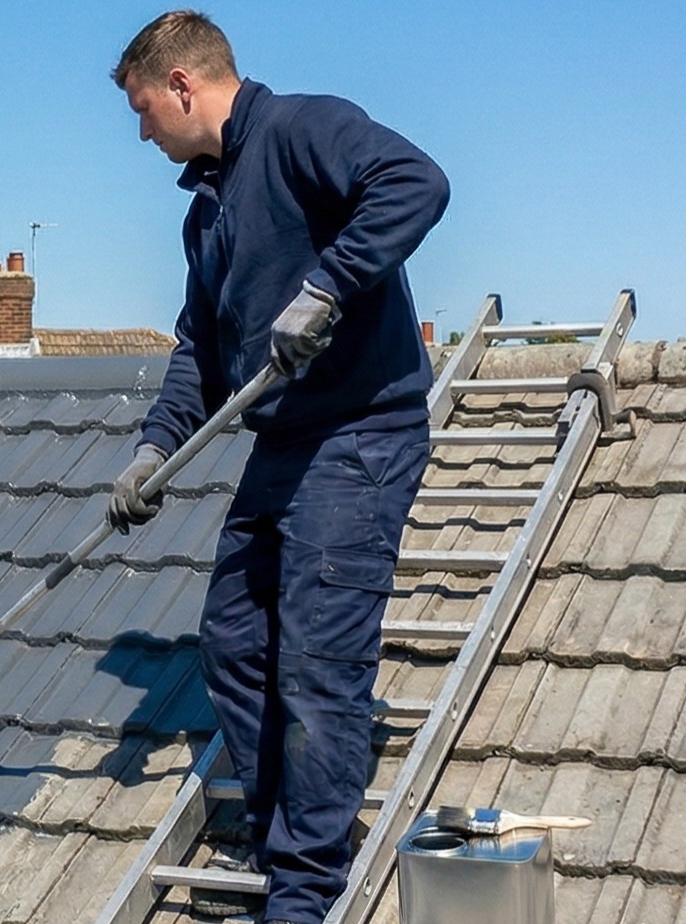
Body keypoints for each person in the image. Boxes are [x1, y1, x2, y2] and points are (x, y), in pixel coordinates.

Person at [104, 10, 448, 924]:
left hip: (361, 434)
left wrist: (332, 285)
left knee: (316, 661)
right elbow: (199, 349)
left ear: (183, 85)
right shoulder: (206, 208)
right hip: (285, 442)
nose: (143, 133)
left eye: (144, 110)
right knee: (233, 639)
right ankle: (281, 823)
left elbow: (416, 182)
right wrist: (155, 447)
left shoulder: (303, 128)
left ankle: (305, 890)